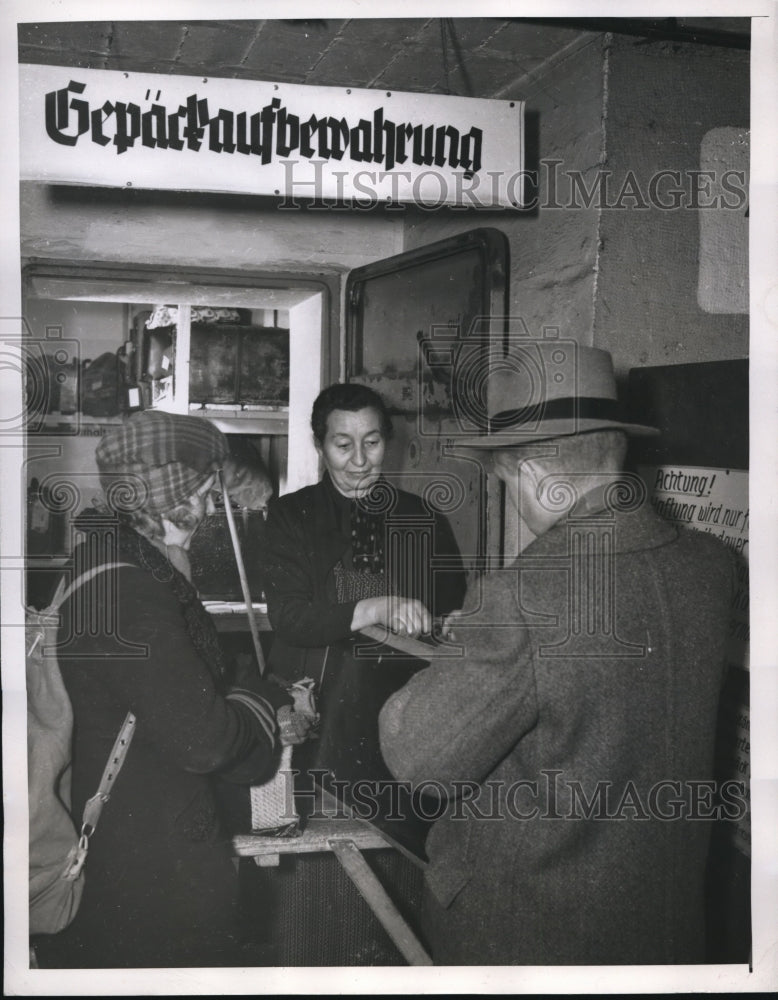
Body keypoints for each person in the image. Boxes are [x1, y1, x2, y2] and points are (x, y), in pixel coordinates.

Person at [379, 344, 737, 965]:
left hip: (529, 935)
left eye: (510, 482)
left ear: (539, 478)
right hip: (665, 928)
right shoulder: (712, 566)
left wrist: (471, 652)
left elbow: (421, 764)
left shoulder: (523, 592)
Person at [32, 410, 294, 969]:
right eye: (206, 491)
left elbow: (187, 678)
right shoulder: (132, 589)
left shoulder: (109, 558)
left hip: (131, 851)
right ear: (186, 493)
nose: (209, 507)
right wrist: (268, 705)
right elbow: (205, 740)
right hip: (151, 877)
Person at [259, 382, 467, 965]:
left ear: (388, 444)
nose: (358, 460)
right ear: (319, 445)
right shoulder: (290, 515)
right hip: (314, 727)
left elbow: (452, 611)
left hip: (401, 730)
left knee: (399, 882)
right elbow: (293, 618)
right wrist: (376, 607)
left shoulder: (424, 519)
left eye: (372, 443)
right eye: (342, 444)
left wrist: (443, 623)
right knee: (320, 895)